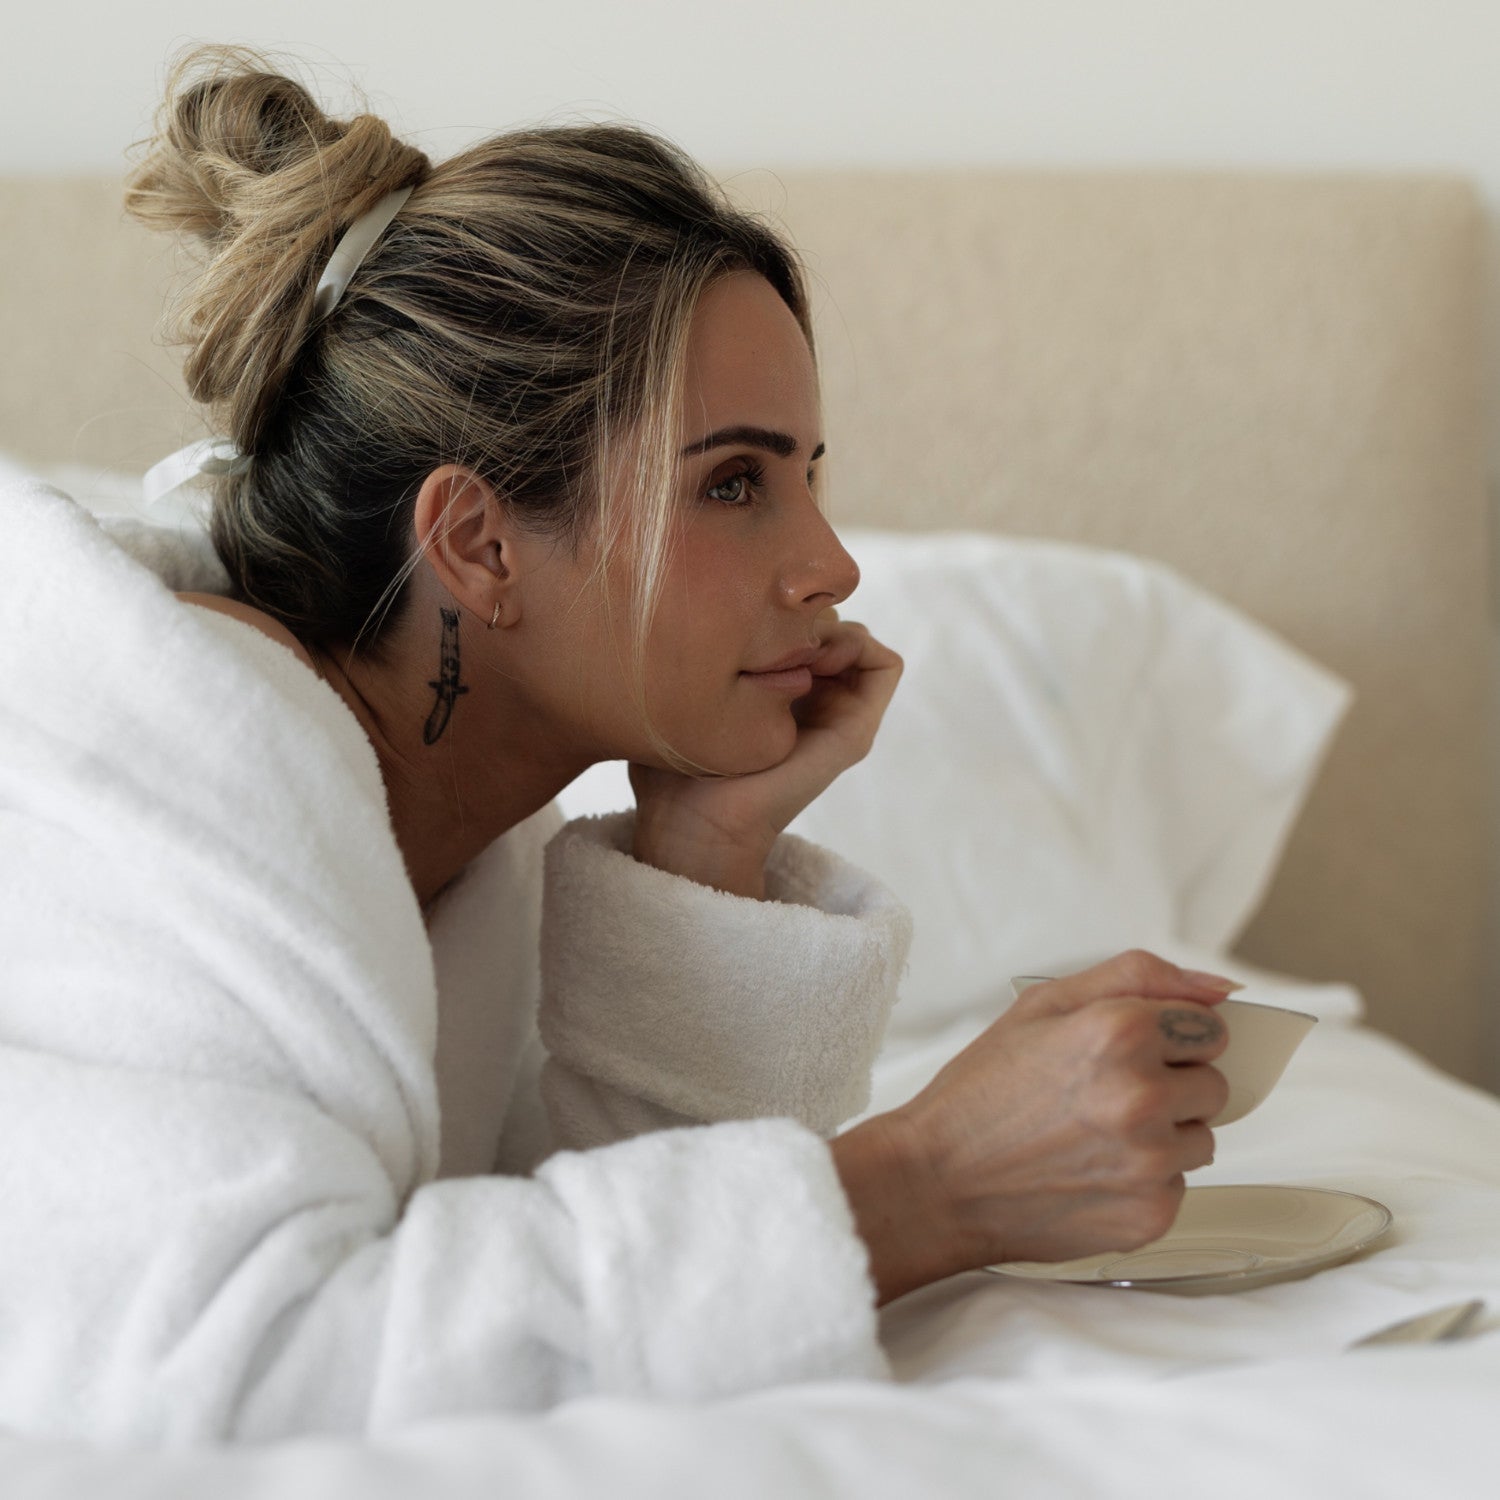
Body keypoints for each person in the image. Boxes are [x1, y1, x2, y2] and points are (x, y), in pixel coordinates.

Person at [0, 45, 1231, 1445]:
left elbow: (517, 1256)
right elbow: (234, 1371)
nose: (830, 564)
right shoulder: (162, 789)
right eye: (734, 484)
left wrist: (706, 848)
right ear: (476, 542)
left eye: (807, 481)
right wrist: (922, 1185)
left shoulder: (452, 819)